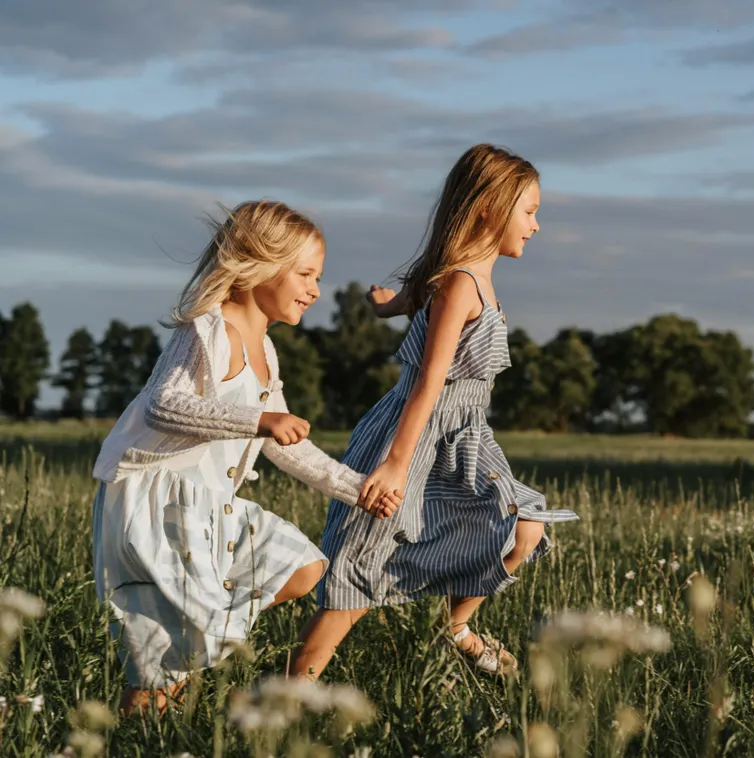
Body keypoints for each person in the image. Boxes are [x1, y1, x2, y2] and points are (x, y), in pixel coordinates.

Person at [91, 200, 401, 714]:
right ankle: (135, 733)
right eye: (304, 274)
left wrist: (360, 490)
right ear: (258, 265)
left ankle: (197, 664)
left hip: (209, 508)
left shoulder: (266, 353)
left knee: (302, 568)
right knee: (162, 663)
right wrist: (258, 421)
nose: (315, 290)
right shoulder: (207, 331)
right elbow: (165, 405)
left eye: (317, 277)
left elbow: (291, 449)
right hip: (158, 504)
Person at [291, 144, 579, 680]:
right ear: (490, 208)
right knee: (357, 573)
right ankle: (289, 699)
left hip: (463, 437)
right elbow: (429, 378)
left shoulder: (460, 278)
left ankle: (456, 629)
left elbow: (409, 298)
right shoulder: (459, 284)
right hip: (412, 436)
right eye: (530, 211)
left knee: (525, 530)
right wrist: (397, 464)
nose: (536, 226)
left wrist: (385, 305)